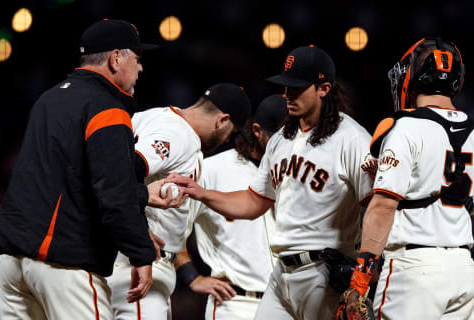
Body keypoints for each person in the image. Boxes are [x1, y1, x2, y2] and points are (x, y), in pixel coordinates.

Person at [169, 45, 376, 320]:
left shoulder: (352, 138)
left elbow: (377, 205)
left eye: (297, 87)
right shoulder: (281, 140)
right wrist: (202, 193)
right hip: (281, 276)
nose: (288, 94)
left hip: (324, 273)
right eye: (286, 86)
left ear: (323, 89)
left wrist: (365, 273)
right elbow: (254, 201)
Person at [0, 19, 182, 320]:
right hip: (63, 266)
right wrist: (141, 254)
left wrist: (141, 193)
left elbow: (71, 180)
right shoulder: (107, 108)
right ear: (116, 58)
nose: (141, 68)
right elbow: (113, 196)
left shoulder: (49, 98)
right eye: (137, 58)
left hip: (12, 262)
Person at [340, 38, 474, 319]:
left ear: (413, 77)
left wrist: (359, 283)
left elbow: (383, 208)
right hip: (463, 268)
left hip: (414, 269)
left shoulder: (405, 127)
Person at [107, 83, 252, 320]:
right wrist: (137, 229)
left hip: (127, 257)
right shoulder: (179, 134)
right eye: (232, 132)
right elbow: (121, 168)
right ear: (222, 120)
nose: (227, 140)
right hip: (138, 264)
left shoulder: (151, 116)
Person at [174, 94, 287, 320]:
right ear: (257, 131)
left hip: (288, 305)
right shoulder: (212, 170)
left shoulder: (295, 173)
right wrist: (191, 276)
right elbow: (171, 227)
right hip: (236, 303)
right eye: (283, 139)